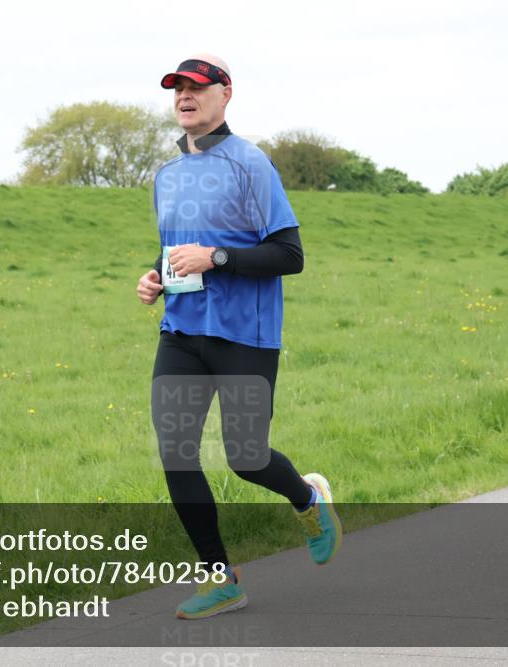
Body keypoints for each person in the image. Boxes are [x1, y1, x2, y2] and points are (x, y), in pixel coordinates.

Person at [136, 54, 342, 620]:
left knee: (246, 458)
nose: (185, 96)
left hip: (244, 336)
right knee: (176, 452)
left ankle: (307, 498)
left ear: (226, 94)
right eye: (177, 89)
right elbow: (176, 245)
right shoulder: (166, 175)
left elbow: (289, 255)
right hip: (181, 332)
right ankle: (219, 577)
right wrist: (156, 275)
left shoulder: (250, 165)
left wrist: (217, 258)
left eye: (197, 88)